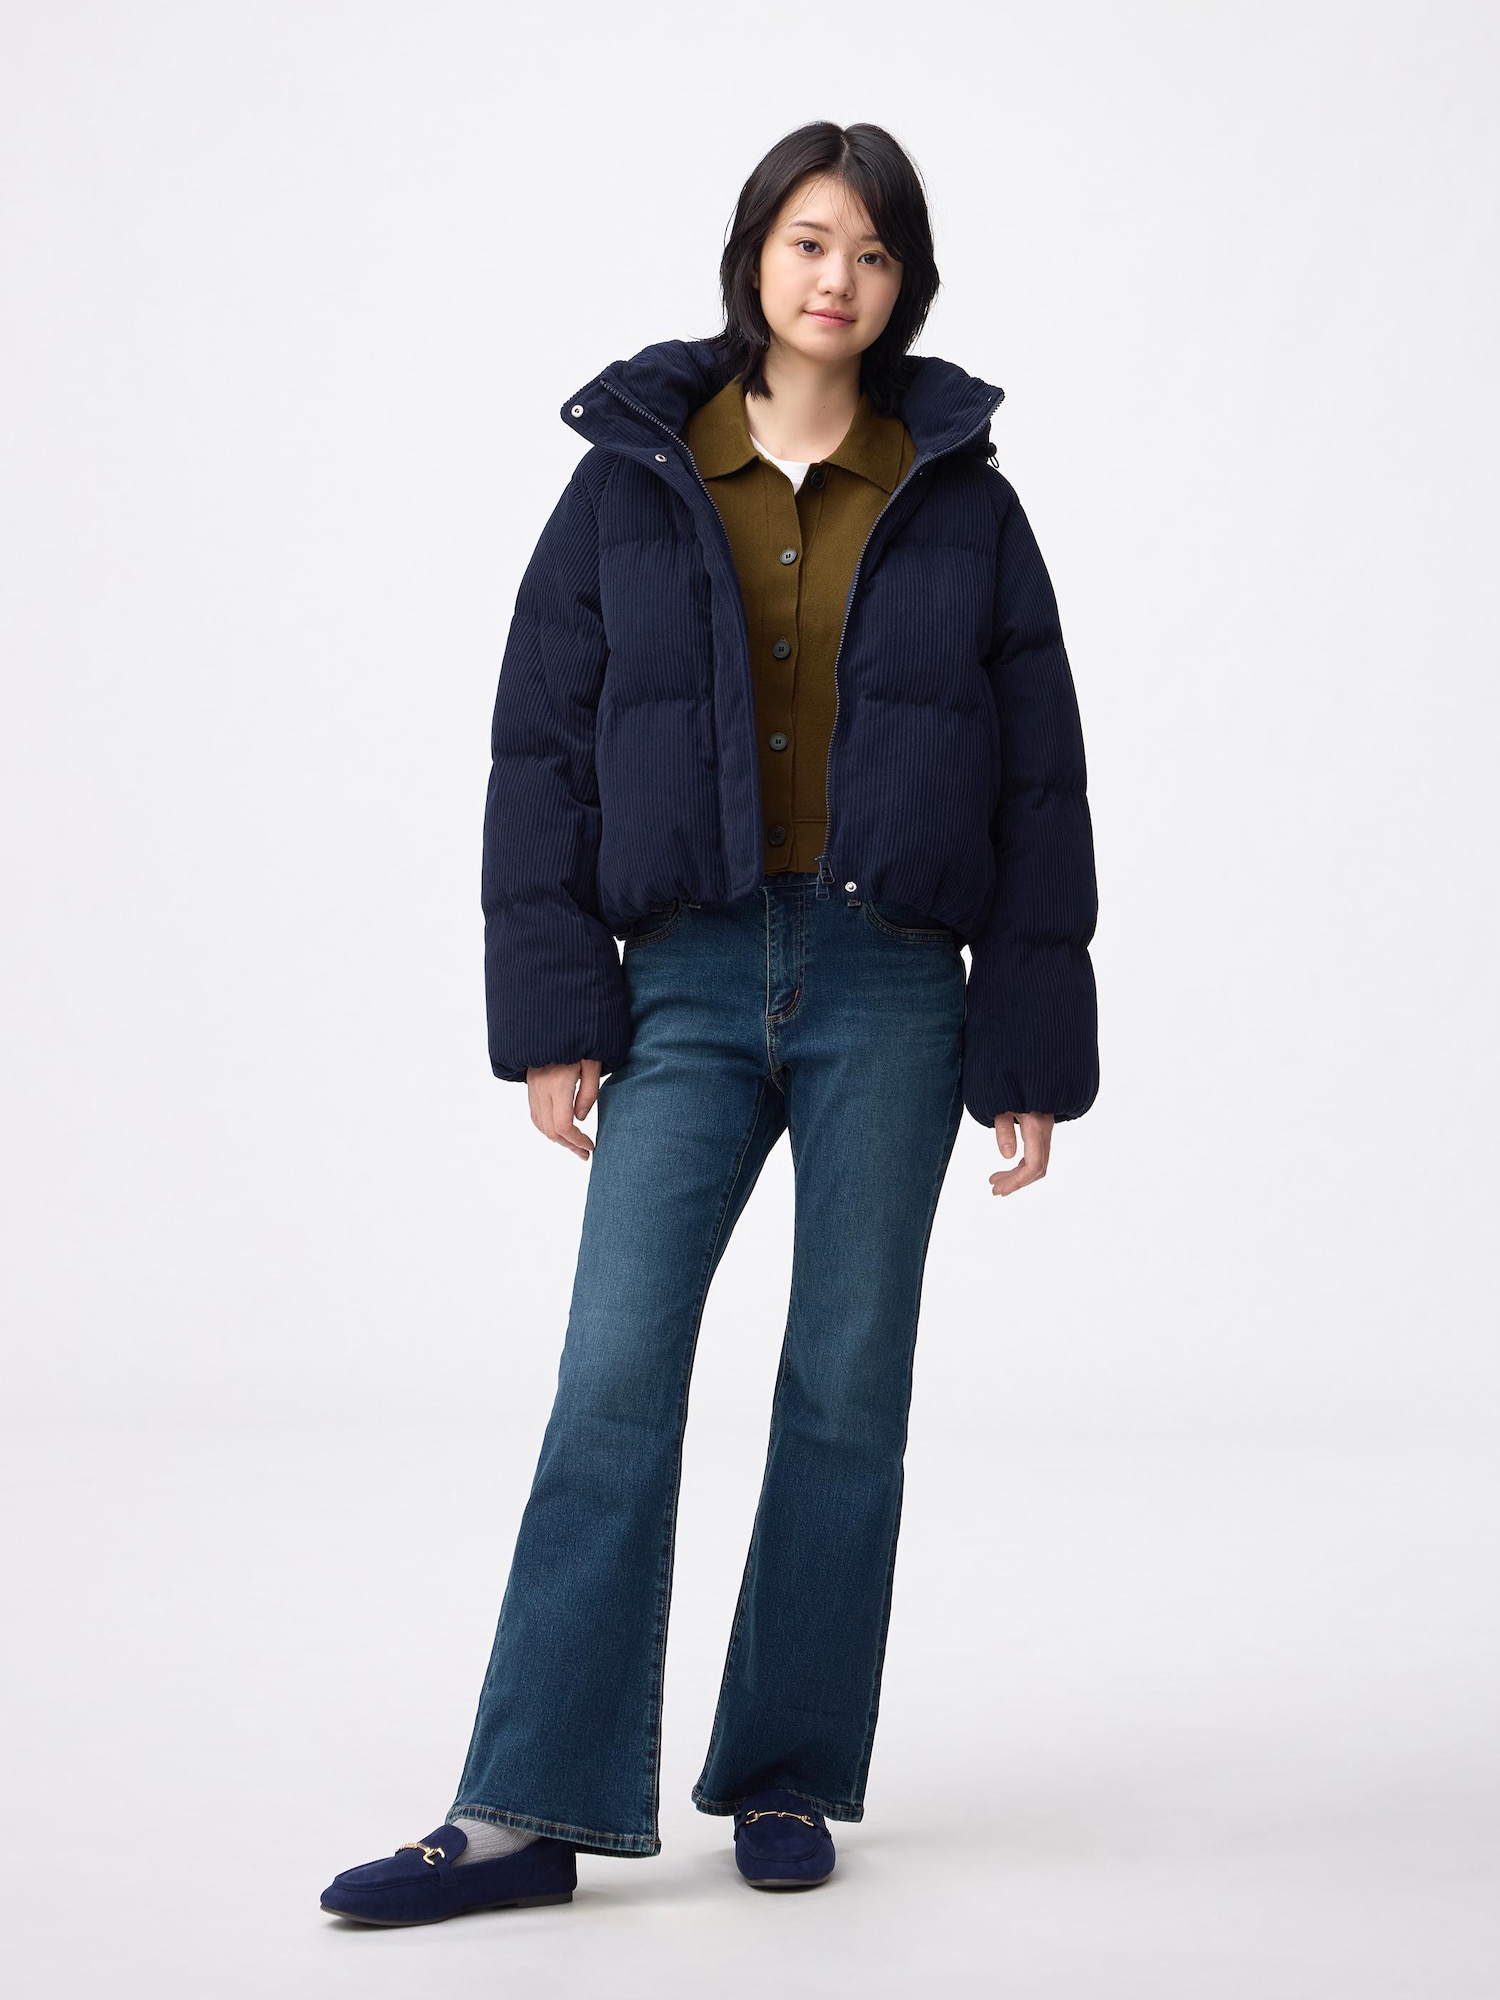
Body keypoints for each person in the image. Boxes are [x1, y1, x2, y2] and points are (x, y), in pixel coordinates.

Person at [320, 117, 1099, 1927]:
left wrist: (1028, 1052)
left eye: (874, 253)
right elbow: (541, 747)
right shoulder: (634, 481)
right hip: (679, 971)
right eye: (811, 240)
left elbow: (1040, 782)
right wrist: (554, 1012)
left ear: (905, 285)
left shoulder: (962, 499)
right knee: (613, 1374)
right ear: (755, 254)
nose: (839, 278)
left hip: (892, 983)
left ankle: (785, 1770)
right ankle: (525, 1811)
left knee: (846, 1386)